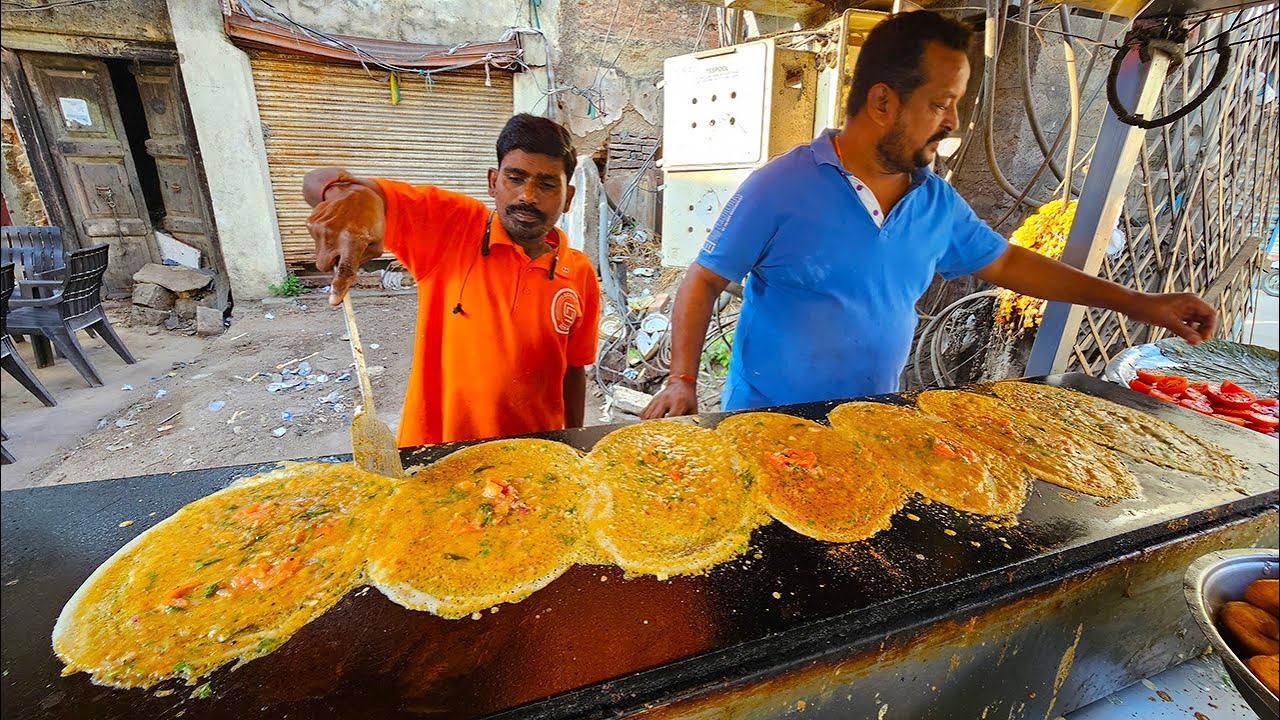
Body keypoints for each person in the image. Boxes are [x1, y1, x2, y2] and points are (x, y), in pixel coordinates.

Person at [642, 11, 1215, 419]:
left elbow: (1011, 265)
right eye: (941, 103)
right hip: (765, 424)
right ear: (883, 101)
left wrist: (1143, 304)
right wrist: (683, 381)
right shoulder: (780, 186)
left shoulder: (934, 202)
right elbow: (704, 278)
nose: (954, 123)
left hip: (872, 423)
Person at [304, 114, 601, 446]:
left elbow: (574, 369)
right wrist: (345, 197)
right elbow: (316, 180)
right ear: (493, 182)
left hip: (537, 454)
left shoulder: (580, 272)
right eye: (515, 178)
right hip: (437, 454)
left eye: (547, 184)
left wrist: (576, 442)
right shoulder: (450, 227)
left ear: (569, 196)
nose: (528, 195)